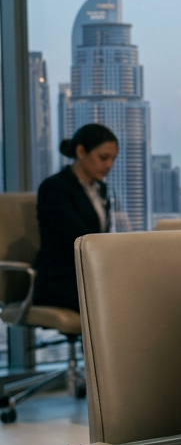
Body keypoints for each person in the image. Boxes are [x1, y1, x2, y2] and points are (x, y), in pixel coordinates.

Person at [32, 124, 118, 312]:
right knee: (124, 295)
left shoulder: (100, 189)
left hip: (90, 275)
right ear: (81, 151)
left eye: (113, 159)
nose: (109, 165)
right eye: (103, 157)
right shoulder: (55, 188)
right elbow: (77, 237)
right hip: (61, 280)